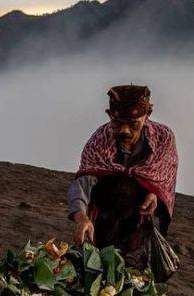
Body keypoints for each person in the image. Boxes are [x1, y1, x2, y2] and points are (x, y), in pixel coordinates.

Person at [67, 85, 178, 267]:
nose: (124, 131)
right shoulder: (99, 141)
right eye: (117, 123)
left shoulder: (162, 139)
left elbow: (163, 175)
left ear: (146, 116)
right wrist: (81, 218)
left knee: (134, 275)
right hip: (103, 216)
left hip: (138, 219)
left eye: (133, 124)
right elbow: (83, 182)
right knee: (98, 269)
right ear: (110, 115)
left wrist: (153, 193)